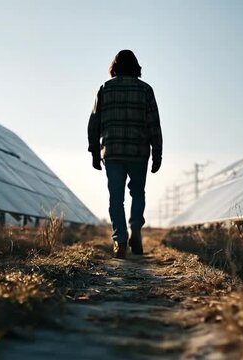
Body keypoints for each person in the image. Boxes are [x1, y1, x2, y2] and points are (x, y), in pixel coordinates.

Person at [87, 50, 163, 259]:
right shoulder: (146, 90)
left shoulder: (105, 88)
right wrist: (157, 153)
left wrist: (94, 151)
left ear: (115, 66)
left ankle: (120, 240)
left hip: (112, 151)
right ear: (136, 66)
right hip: (139, 151)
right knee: (138, 193)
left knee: (116, 198)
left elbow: (94, 122)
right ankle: (136, 228)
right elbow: (153, 123)